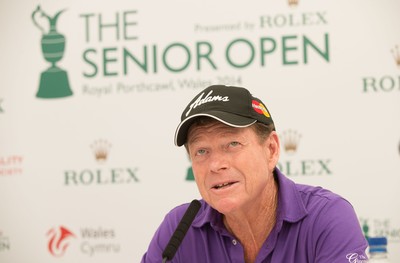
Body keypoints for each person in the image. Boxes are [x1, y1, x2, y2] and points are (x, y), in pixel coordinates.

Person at [141, 85, 368, 263]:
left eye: (232, 143)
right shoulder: (179, 228)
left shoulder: (327, 218)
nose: (215, 164)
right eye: (201, 151)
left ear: (271, 150)